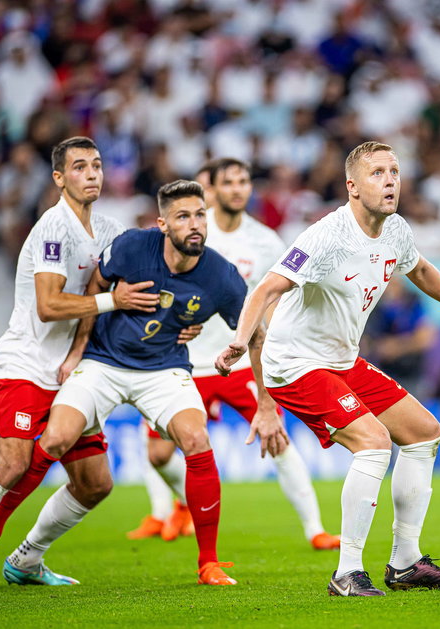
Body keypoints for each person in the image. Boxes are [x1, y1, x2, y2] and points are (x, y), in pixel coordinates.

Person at [216, 141, 440, 596]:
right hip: (295, 363)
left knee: (424, 433)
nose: (390, 180)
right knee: (374, 443)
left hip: (342, 360)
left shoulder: (395, 229)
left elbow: (421, 270)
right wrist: (240, 341)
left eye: (394, 170)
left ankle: (406, 562)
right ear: (352, 187)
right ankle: (347, 573)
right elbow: (265, 289)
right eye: (377, 172)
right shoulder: (326, 237)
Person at [0, 136, 160, 594]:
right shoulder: (53, 227)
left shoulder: (106, 231)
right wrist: (113, 300)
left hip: (69, 369)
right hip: (25, 365)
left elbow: (98, 298)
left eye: (97, 166)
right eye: (80, 167)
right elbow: (49, 305)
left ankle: (26, 559)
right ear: (59, 178)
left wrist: (77, 353)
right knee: (12, 463)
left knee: (95, 483)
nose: (92, 174)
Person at [0, 180, 248, 587]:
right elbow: (96, 284)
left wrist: (238, 352)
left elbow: (253, 329)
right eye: (184, 216)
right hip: (104, 361)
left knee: (197, 439)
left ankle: (208, 564)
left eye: (200, 214)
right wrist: (80, 346)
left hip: (163, 369)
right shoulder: (133, 247)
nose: (195, 224)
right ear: (163, 224)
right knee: (55, 439)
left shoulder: (222, 276)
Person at [129, 158, 340, 550]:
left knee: (276, 436)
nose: (239, 189)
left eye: (244, 181)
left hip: (241, 362)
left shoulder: (265, 241)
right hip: (183, 361)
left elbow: (276, 298)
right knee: (158, 453)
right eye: (230, 182)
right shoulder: (192, 229)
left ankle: (316, 529)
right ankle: (181, 506)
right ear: (212, 187)